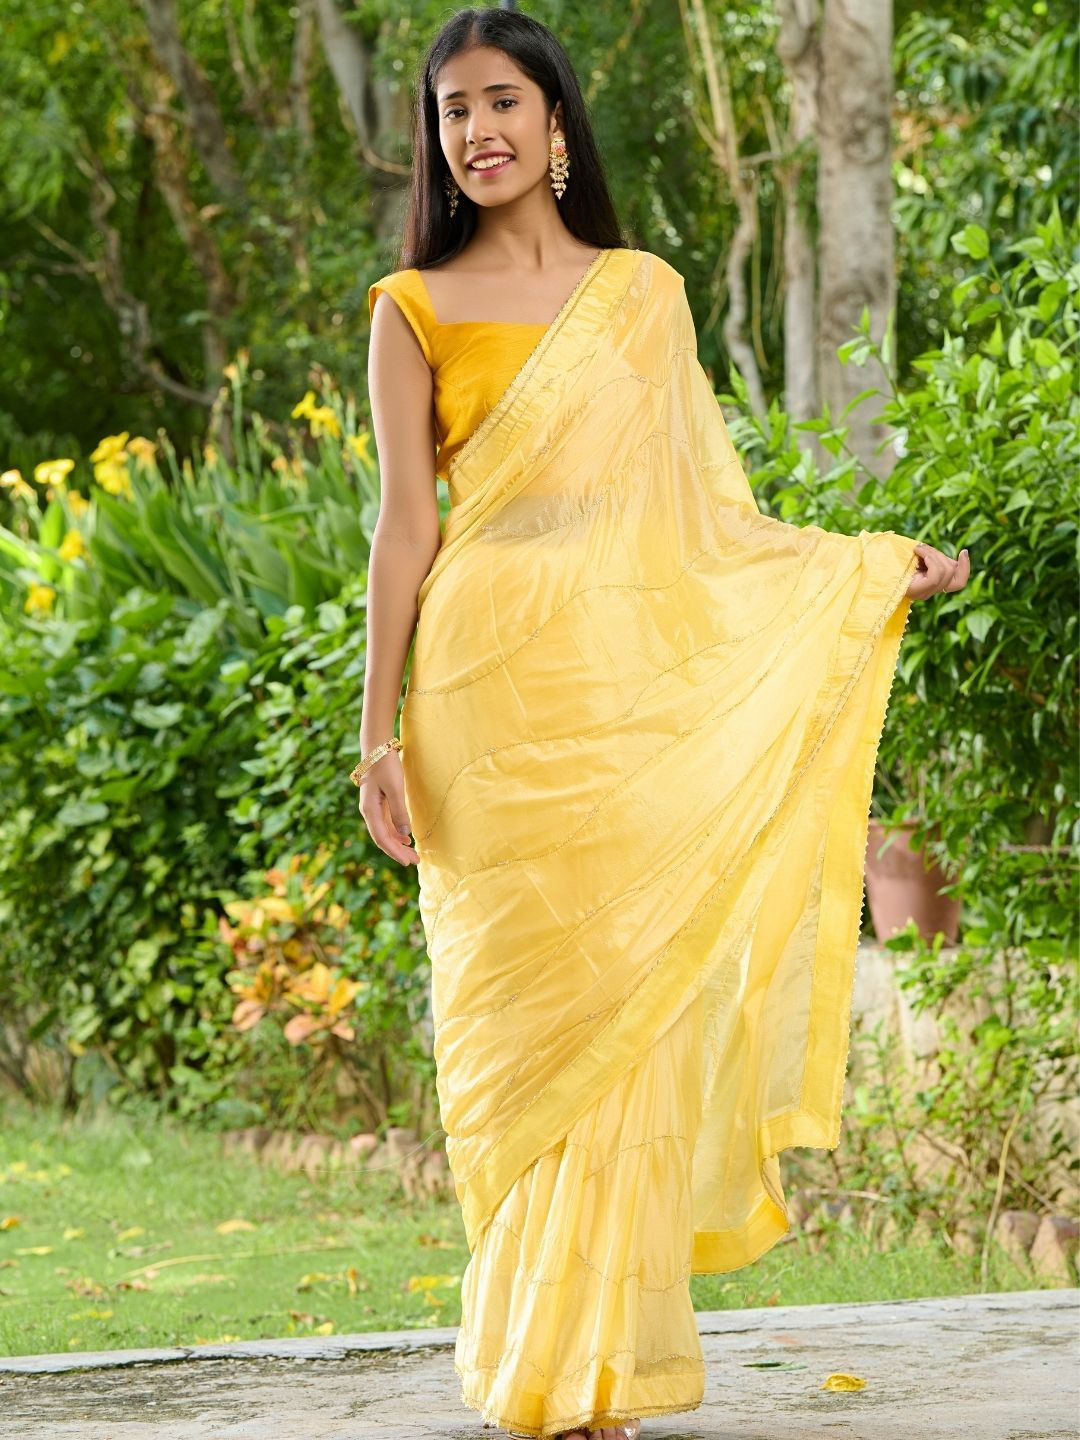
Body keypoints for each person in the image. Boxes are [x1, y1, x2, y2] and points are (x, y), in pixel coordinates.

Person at [355, 9, 971, 1440]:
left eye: (502, 101)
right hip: (481, 698)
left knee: (624, 1003)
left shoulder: (643, 296)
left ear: (556, 120)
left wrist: (866, 570)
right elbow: (403, 530)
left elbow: (711, 521)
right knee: (514, 1022)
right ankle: (534, 1360)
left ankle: (600, 1376)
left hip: (617, 696)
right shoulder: (411, 305)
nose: (478, 131)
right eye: (453, 111)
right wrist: (376, 735)